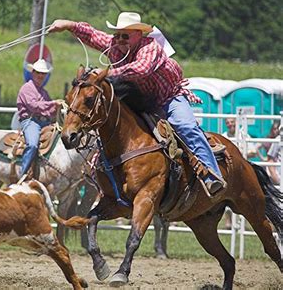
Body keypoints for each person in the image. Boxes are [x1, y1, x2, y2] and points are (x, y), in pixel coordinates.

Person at [48, 12, 225, 194]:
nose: (120, 39)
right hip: (140, 98)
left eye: (125, 35)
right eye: (117, 35)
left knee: (185, 126)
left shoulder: (150, 47)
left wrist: (107, 73)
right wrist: (68, 24)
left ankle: (211, 175)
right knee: (110, 123)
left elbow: (141, 69)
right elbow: (93, 35)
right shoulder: (115, 46)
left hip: (168, 98)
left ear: (138, 35)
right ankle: (102, 172)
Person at [16, 59, 62, 178]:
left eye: (43, 73)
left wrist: (57, 108)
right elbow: (33, 106)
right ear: (33, 73)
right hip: (31, 121)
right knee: (32, 145)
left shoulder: (43, 92)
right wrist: (53, 104)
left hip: (44, 122)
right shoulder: (27, 88)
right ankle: (23, 174)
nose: (41, 76)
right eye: (38, 73)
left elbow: (48, 111)